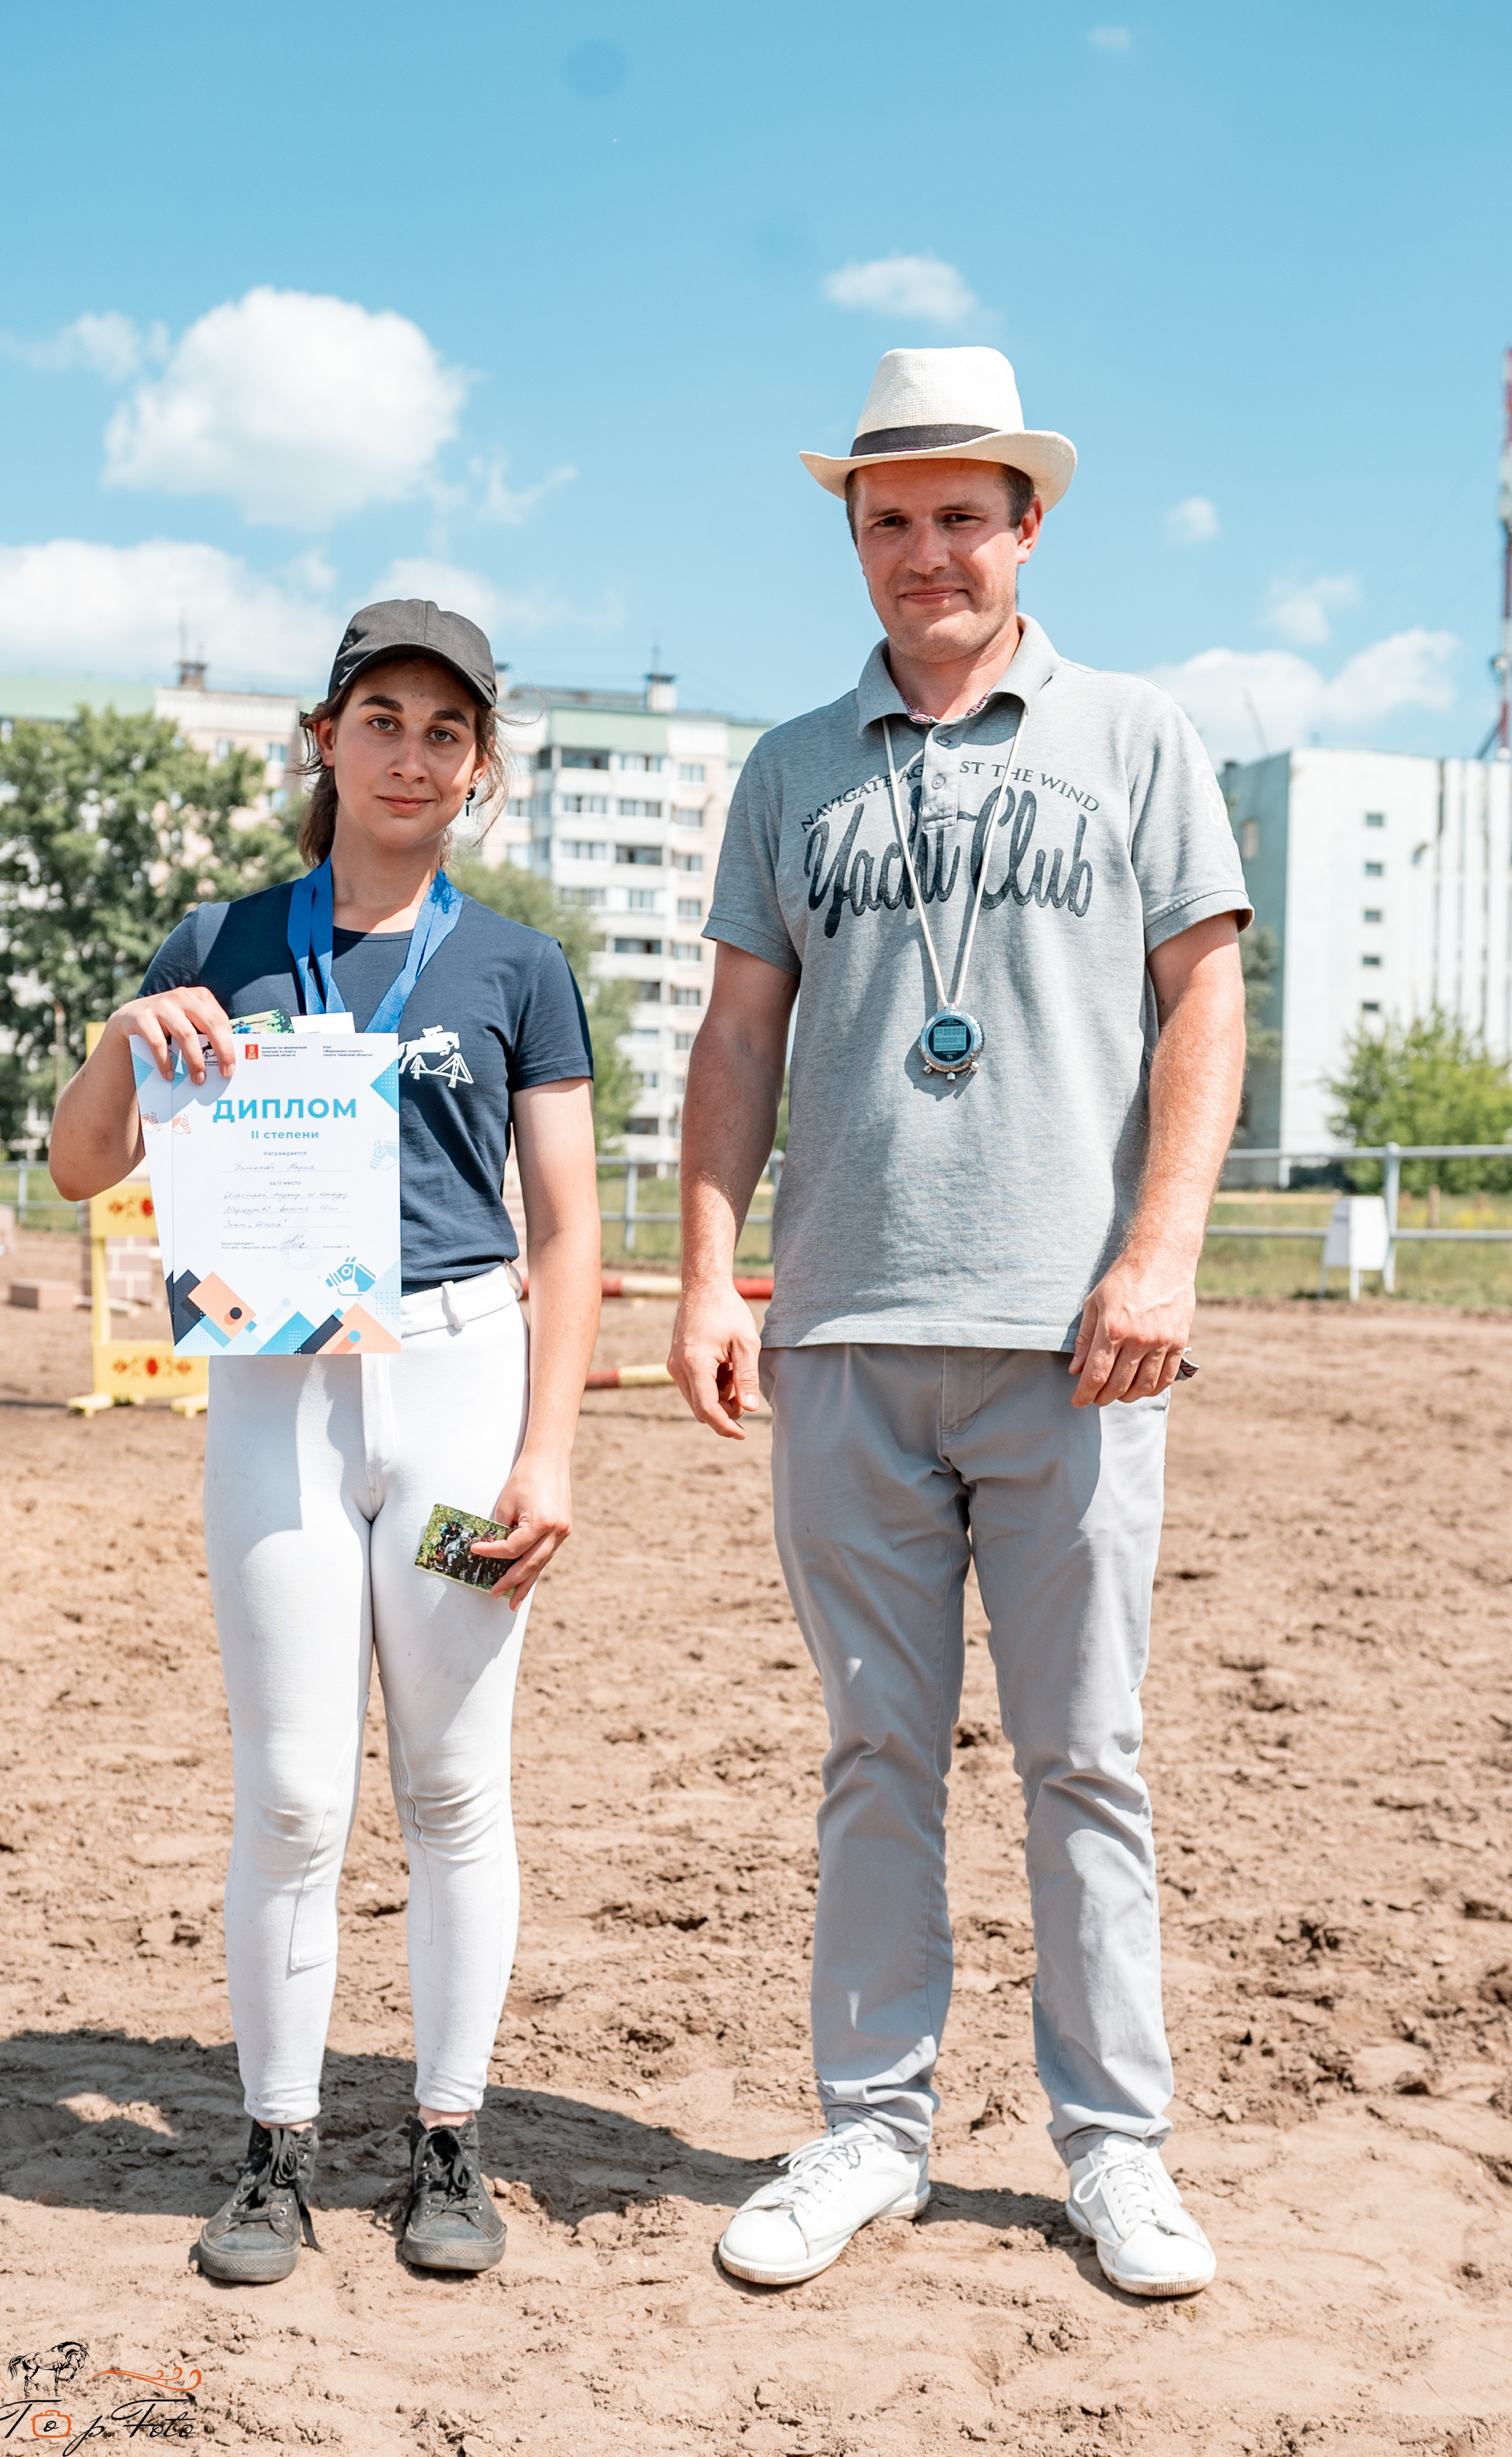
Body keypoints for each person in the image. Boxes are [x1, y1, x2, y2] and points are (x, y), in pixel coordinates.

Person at [669, 350, 1251, 2300]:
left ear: (1026, 527)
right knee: (871, 1755)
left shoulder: (1136, 739)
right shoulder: (785, 768)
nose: (925, 551)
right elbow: (735, 1034)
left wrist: (1157, 1252)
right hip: (842, 1331)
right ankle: (868, 2128)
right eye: (887, 519)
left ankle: (1113, 2148)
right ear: (851, 535)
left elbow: (1199, 1007)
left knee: (1086, 1755)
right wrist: (702, 1273)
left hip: (1072, 1336)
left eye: (959, 516)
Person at [50, 599, 601, 2282]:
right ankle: (274, 2149)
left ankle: (448, 2139)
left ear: (479, 764)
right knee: (293, 1795)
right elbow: (81, 1168)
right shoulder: (212, 937)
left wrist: (550, 1453)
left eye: (448, 730)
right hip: (276, 1405)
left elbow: (566, 1232)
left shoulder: (515, 966)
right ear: (325, 736)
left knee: (448, 1778)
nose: (412, 753)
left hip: (450, 1400)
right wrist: (122, 1036)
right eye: (383, 718)